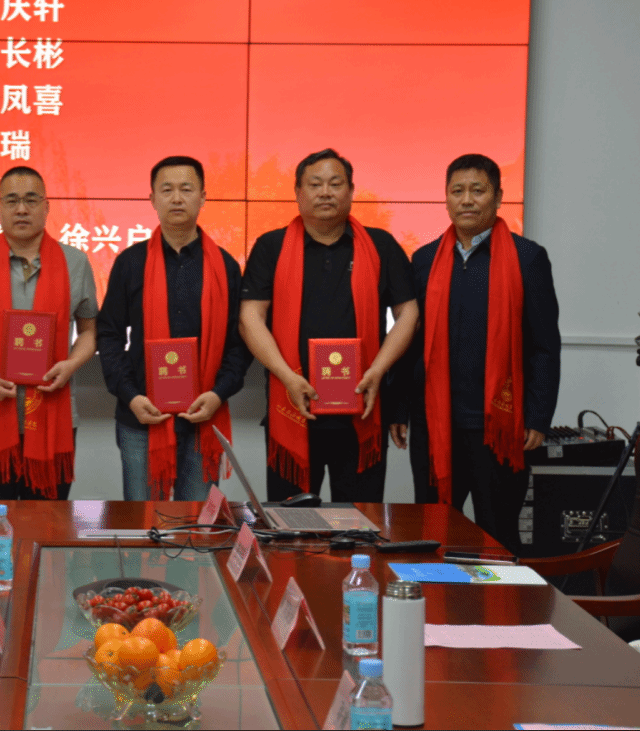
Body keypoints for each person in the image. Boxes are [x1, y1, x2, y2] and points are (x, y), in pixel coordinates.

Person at [391, 153, 560, 553]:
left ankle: (499, 597)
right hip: (434, 423)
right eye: (457, 191)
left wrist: (538, 416)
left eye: (478, 190)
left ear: (498, 197)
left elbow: (544, 345)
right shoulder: (425, 259)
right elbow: (409, 340)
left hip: (498, 427)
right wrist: (398, 408)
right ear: (446, 199)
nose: (467, 200)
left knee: (497, 537)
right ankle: (434, 596)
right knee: (432, 534)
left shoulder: (528, 258)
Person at [239, 148, 418, 501]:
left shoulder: (380, 245)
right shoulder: (271, 246)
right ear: (298, 192)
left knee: (358, 522)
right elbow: (249, 318)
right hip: (292, 406)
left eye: (335, 184)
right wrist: (286, 376)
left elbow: (409, 313)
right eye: (315, 184)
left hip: (361, 410)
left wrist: (378, 371)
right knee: (290, 523)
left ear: (351, 191)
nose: (325, 192)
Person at [97, 156, 251, 500]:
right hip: (142, 417)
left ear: (203, 197)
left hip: (202, 417)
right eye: (167, 190)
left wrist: (218, 394)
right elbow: (108, 335)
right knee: (143, 521)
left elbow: (239, 344)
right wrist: (131, 396)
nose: (177, 198)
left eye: (186, 189)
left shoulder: (225, 266)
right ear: (152, 199)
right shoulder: (130, 263)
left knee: (196, 524)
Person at [0, 165, 97, 500]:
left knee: (47, 520)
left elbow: (89, 330)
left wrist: (71, 365)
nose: (22, 209)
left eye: (31, 200)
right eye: (12, 201)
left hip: (54, 413)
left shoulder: (75, 262)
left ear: (47, 206)